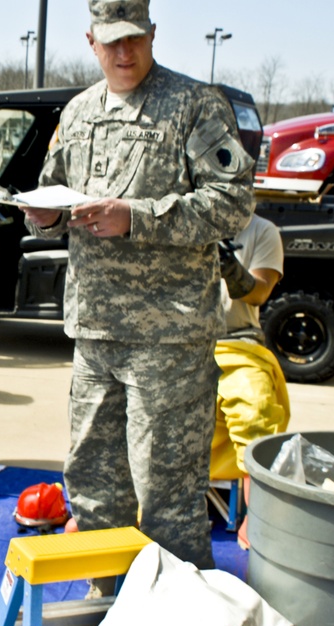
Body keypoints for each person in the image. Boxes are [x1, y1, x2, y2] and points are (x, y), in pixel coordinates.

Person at [22, 0, 254, 572]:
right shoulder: (77, 113)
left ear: (152, 34)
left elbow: (233, 203)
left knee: (169, 496)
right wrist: (42, 213)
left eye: (134, 39)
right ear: (91, 42)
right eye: (111, 42)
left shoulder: (195, 105)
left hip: (169, 339)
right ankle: (111, 610)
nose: (124, 53)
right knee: (95, 486)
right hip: (95, 331)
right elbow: (52, 187)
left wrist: (139, 216)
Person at [210, 214, 290, 481]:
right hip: (171, 344)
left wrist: (233, 271)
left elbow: (261, 291)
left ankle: (256, 516)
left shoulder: (262, 230)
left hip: (234, 344)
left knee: (256, 410)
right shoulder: (170, 217)